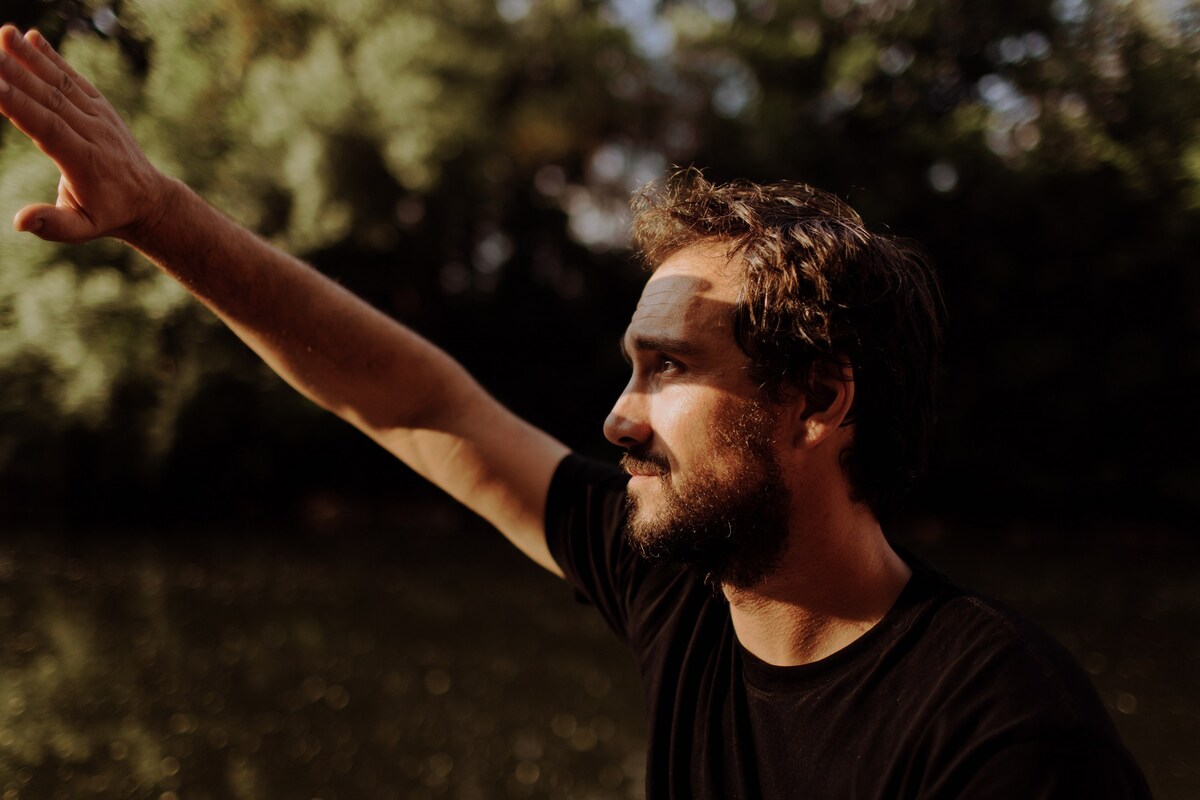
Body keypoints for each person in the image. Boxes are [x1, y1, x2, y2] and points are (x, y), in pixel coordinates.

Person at [0, 25, 1151, 798]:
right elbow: (417, 400)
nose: (618, 416)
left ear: (819, 400)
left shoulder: (1006, 737)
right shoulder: (684, 583)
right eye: (628, 366)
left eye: (665, 368)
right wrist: (156, 216)